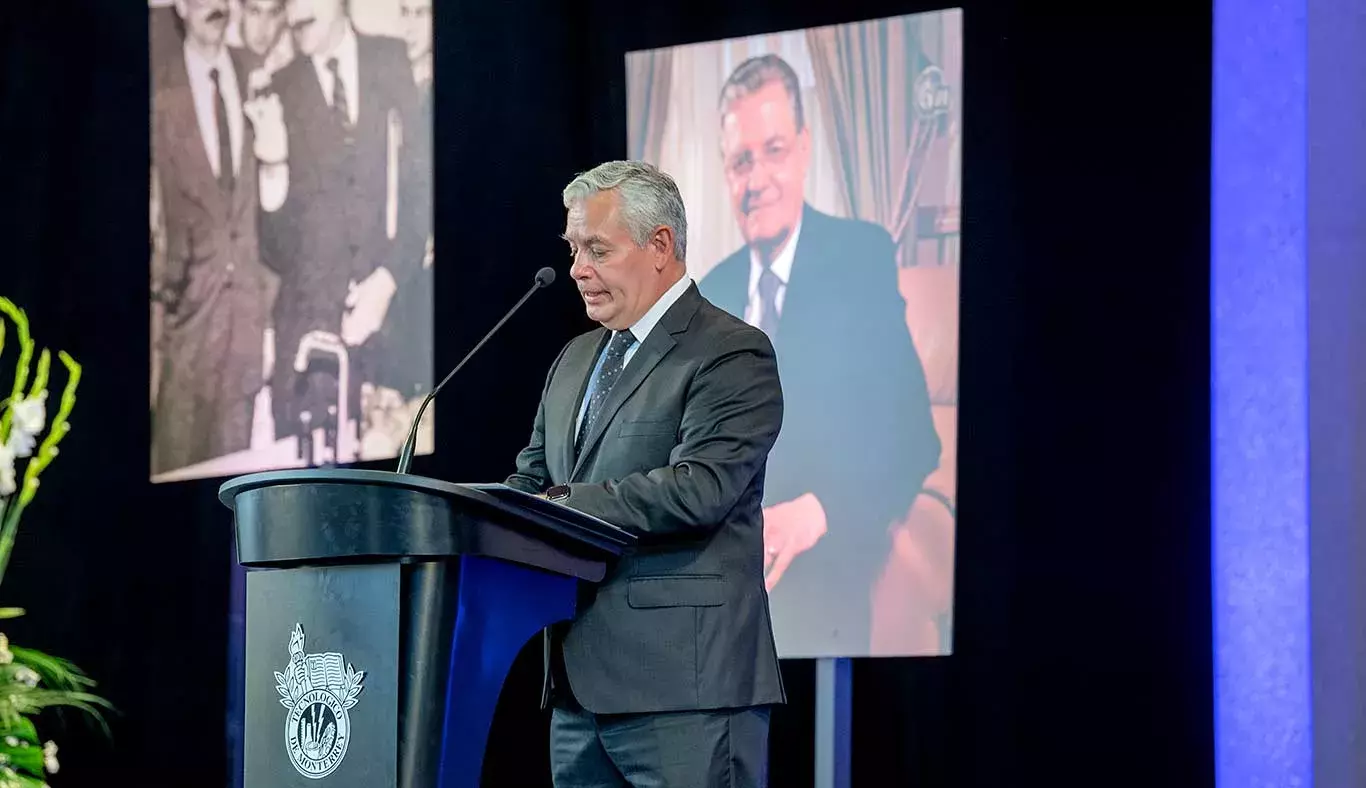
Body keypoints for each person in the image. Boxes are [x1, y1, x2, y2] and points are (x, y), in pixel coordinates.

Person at [505, 161, 785, 787]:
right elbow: (530, 480)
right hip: (579, 695)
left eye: (597, 248)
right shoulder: (575, 360)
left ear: (660, 246)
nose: (578, 268)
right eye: (574, 249)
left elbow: (701, 488)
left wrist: (558, 502)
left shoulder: (730, 352)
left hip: (687, 693)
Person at [698, 54, 941, 656]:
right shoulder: (712, 290)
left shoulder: (860, 257)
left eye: (774, 150)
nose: (757, 180)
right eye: (741, 161)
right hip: (717, 570)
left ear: (804, 149)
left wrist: (815, 513)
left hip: (821, 561)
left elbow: (914, 439)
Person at [260, 0, 423, 449]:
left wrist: (387, 280)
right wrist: (271, 165)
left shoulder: (389, 59)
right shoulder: (280, 88)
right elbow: (273, 250)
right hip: (308, 341)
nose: (292, 11)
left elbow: (419, 189)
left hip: (389, 328)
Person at [150, 0, 286, 473]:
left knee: (238, 487)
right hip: (184, 319)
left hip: (246, 319)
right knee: (176, 462)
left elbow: (272, 202)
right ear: (180, 7)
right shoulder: (157, 85)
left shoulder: (256, 71)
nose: (216, 6)